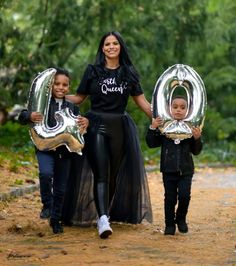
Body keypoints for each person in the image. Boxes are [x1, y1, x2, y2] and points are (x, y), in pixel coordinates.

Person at [66, 31, 153, 239]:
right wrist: (54, 94)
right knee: (101, 173)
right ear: (102, 48)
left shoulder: (129, 73)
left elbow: (142, 103)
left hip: (120, 127)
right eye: (107, 44)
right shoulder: (93, 71)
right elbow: (78, 98)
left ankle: (104, 213)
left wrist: (166, 118)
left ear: (120, 47)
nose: (111, 47)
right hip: (95, 124)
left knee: (113, 175)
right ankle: (103, 219)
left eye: (115, 43)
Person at [18, 68, 89, 234]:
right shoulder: (41, 103)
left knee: (60, 188)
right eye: (57, 84)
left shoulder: (72, 107)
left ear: (69, 88)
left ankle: (56, 219)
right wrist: (29, 116)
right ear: (50, 86)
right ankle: (46, 205)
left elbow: (79, 127)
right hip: (45, 149)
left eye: (64, 85)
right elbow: (22, 115)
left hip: (64, 153)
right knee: (45, 174)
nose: (60, 87)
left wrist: (85, 122)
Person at [146, 95, 202, 235]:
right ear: (169, 109)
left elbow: (196, 151)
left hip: (186, 171)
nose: (178, 110)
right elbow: (151, 144)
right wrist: (153, 128)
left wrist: (197, 138)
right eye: (175, 107)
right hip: (168, 170)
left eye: (182, 108)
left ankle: (181, 219)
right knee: (170, 198)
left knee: (184, 196)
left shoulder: (191, 128)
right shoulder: (164, 128)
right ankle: (169, 224)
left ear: (188, 110)